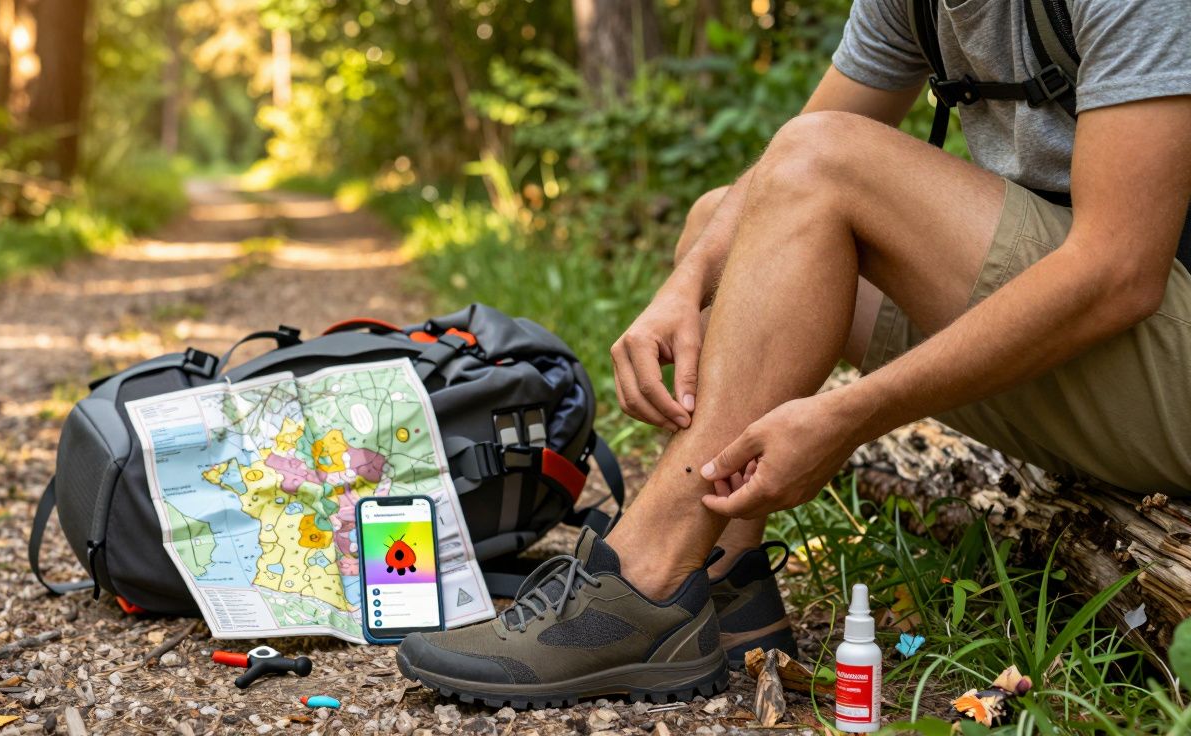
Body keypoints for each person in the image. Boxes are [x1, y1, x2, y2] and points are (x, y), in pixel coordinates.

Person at [396, 0, 1191, 708]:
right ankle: (721, 579)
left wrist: (853, 413)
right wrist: (682, 286)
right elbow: (775, 182)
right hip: (1098, 365)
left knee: (822, 161)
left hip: (1165, 368)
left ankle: (639, 580)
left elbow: (1119, 271)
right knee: (724, 221)